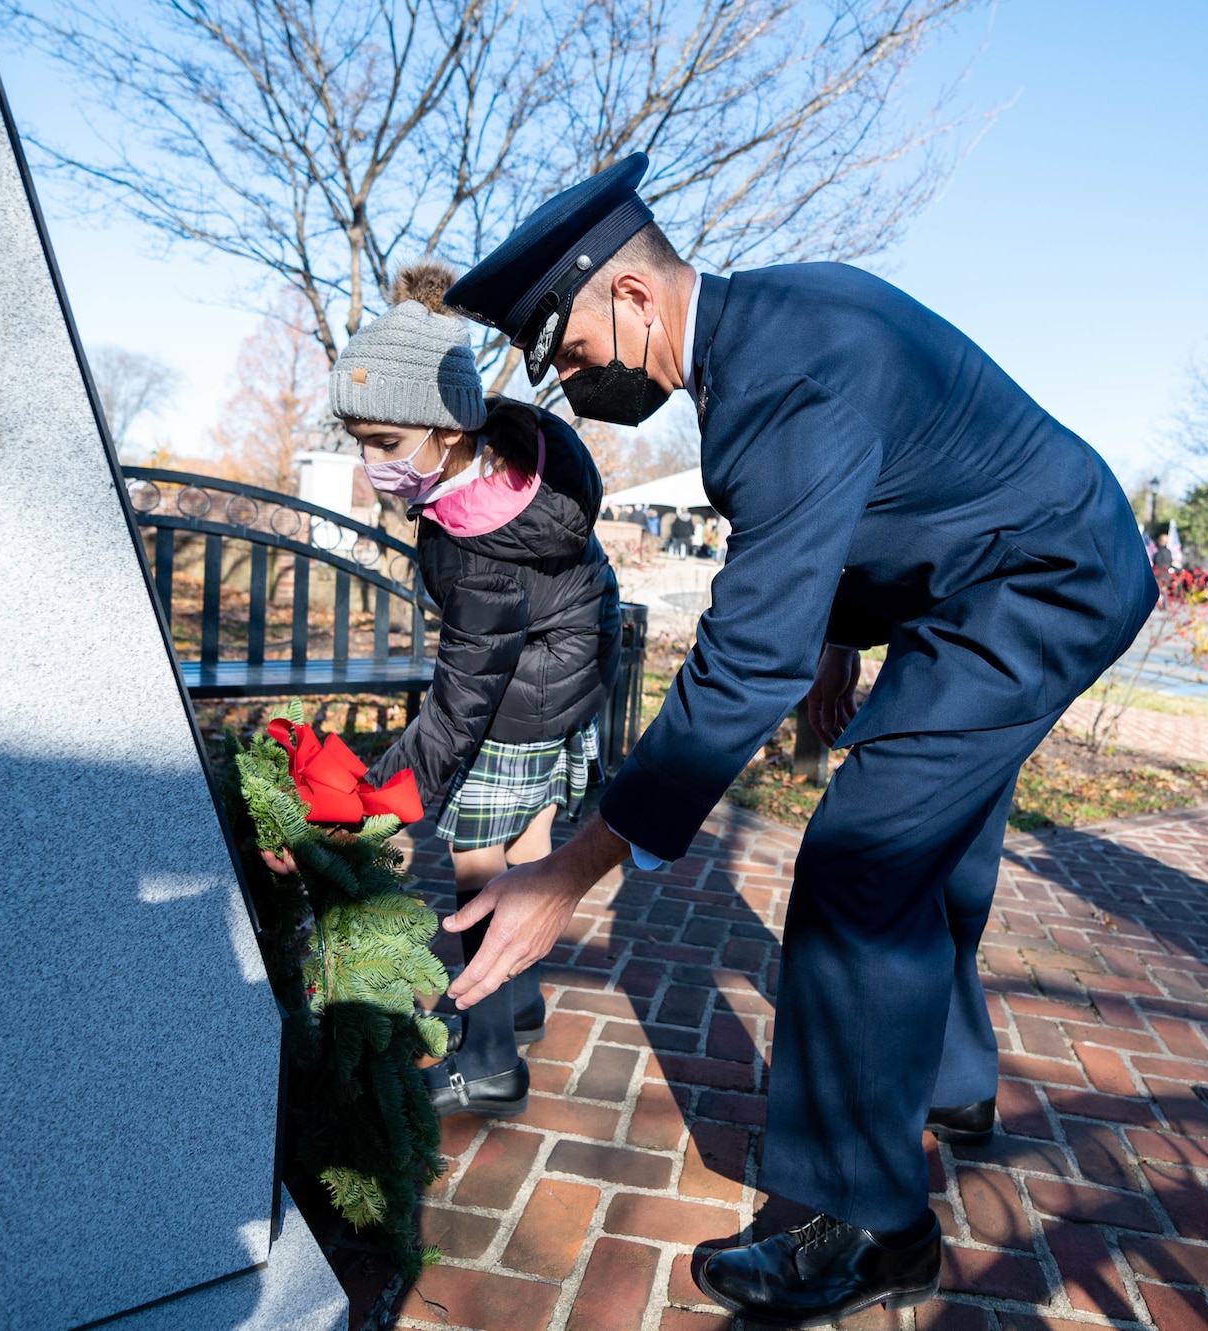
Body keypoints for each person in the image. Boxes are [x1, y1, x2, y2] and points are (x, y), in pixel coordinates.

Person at [432, 155, 1155, 1324]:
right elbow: (886, 494)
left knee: (859, 869)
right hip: (1001, 574)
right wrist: (838, 642)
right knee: (929, 832)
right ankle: (951, 1081)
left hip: (1038, 589)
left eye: (564, 353)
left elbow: (741, 663)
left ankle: (868, 1225)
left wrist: (570, 869)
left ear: (630, 297)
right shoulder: (781, 315)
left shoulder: (774, 382)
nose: (569, 386)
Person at [333, 261, 621, 1120]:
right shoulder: (510, 474)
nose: (372, 465)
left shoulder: (475, 541)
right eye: (361, 443)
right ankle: (519, 999)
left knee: (474, 861)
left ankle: (489, 1054)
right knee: (527, 832)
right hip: (570, 668)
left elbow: (460, 703)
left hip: (529, 685)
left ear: (448, 430)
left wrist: (385, 800)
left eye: (384, 443)